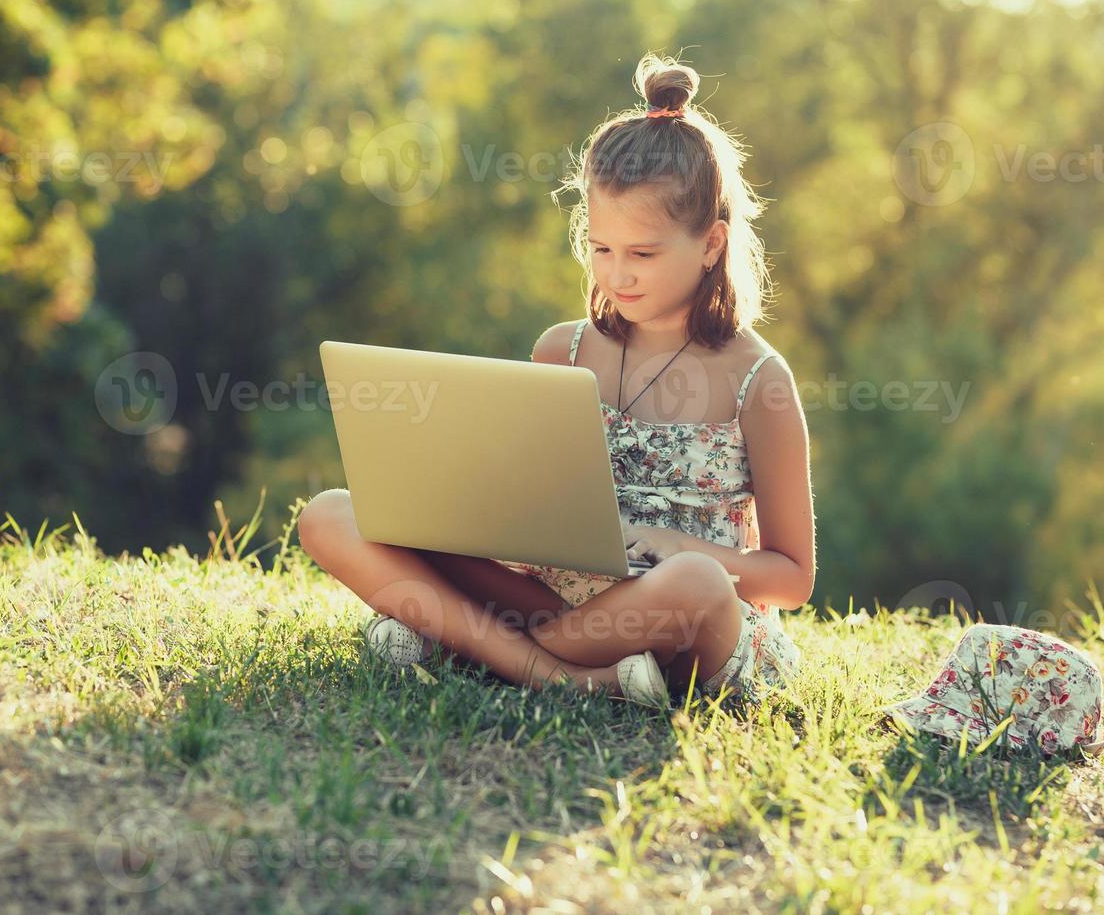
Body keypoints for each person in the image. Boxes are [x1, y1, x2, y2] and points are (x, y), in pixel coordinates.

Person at [298, 51, 815, 710]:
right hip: (546, 601)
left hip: (672, 616)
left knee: (697, 582)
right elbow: (522, 500)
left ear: (712, 244)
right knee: (331, 515)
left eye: (643, 254)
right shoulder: (563, 349)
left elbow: (791, 579)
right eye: (602, 248)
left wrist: (675, 546)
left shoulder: (759, 380)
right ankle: (561, 677)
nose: (618, 274)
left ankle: (463, 642)